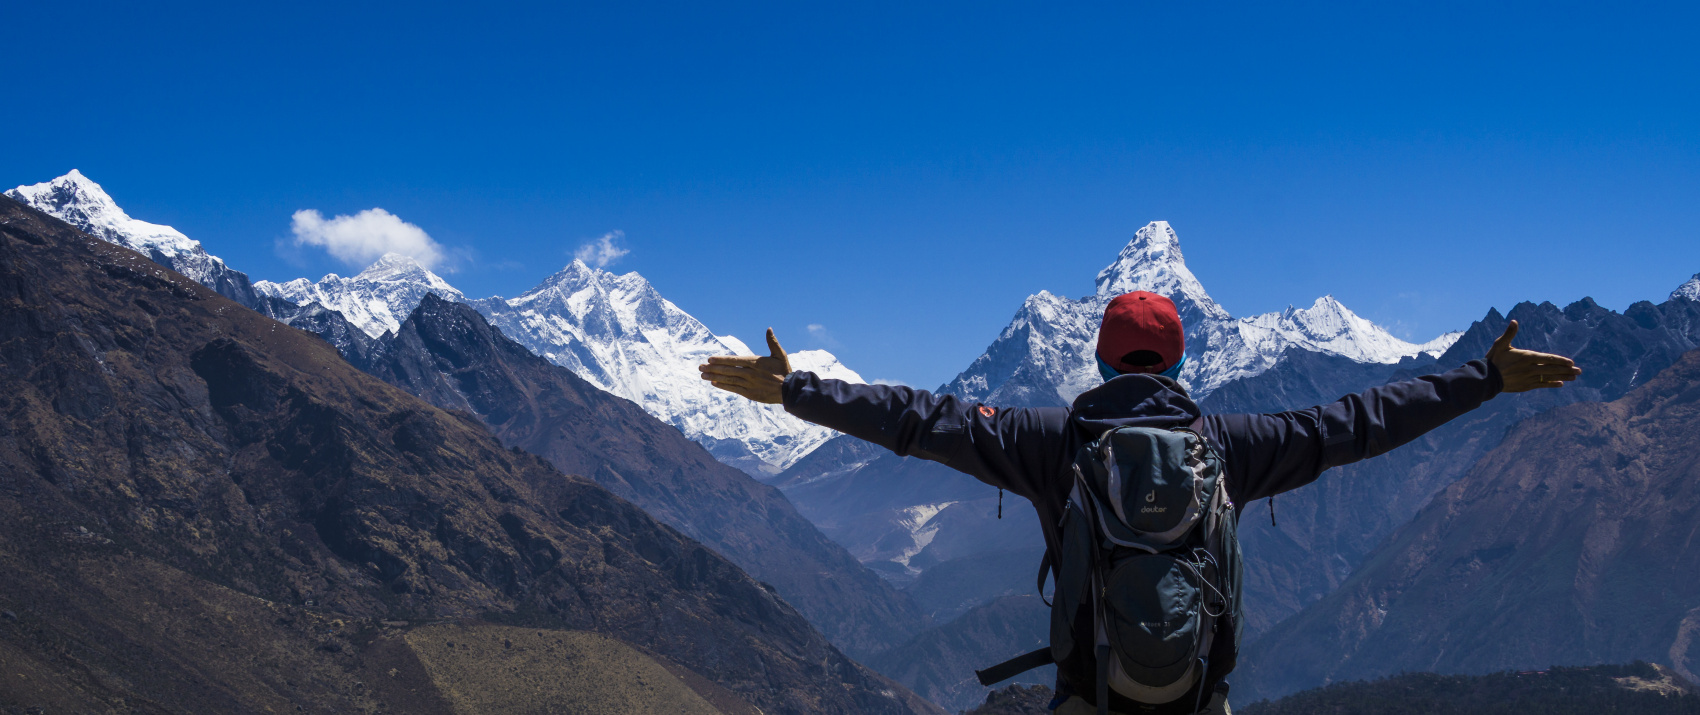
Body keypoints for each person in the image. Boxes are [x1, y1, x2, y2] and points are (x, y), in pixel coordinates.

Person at [698, 291, 1580, 715]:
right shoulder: (1234, 444)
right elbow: (1363, 420)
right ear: (1181, 362)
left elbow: (918, 419)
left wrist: (799, 391)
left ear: (1104, 360)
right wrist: (1483, 378)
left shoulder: (1047, 441)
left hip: (1090, 700)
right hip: (1199, 700)